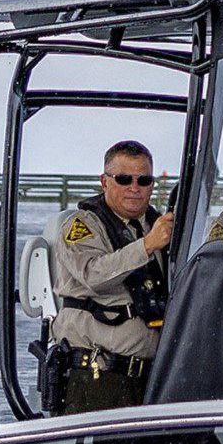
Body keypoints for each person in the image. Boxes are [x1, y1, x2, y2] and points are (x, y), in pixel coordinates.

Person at [50, 140, 173, 414]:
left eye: (144, 180)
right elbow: (93, 274)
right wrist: (147, 246)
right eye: (124, 179)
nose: (134, 188)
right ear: (104, 182)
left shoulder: (161, 229)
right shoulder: (81, 226)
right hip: (97, 378)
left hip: (153, 377)